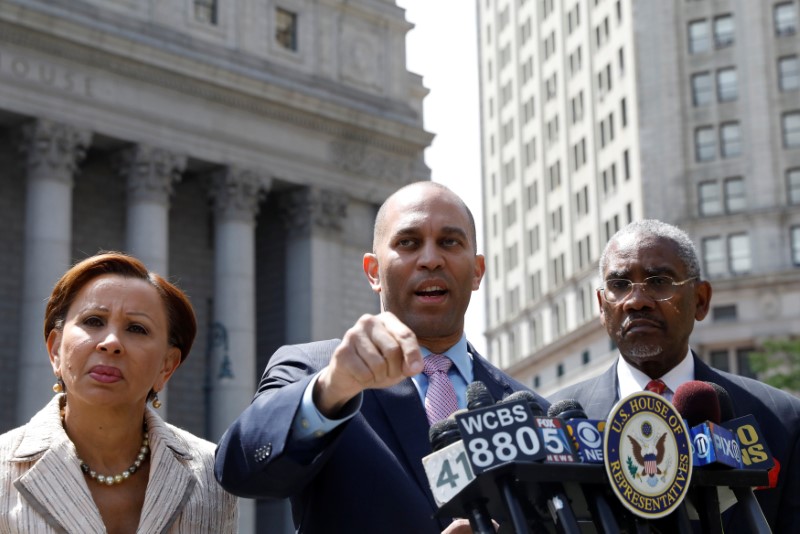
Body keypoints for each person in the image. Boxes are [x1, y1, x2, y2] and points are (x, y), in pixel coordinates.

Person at [215, 181, 545, 533]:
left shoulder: (531, 410)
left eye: (449, 242)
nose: (431, 259)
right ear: (373, 271)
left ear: (477, 271)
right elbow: (239, 471)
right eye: (408, 243)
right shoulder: (315, 373)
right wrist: (332, 389)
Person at [549, 219, 800, 532]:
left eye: (658, 282)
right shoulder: (554, 426)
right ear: (602, 307)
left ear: (700, 299)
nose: (636, 301)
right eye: (619, 285)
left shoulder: (782, 420)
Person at [0, 252, 238, 533]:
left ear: (167, 366)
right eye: (93, 321)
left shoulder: (213, 476)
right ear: (55, 350)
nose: (111, 343)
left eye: (136, 328)